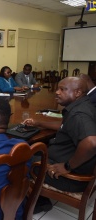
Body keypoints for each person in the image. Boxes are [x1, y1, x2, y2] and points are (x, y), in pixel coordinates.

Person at [23, 77, 96, 213]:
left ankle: (36, 203)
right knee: (36, 149)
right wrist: (39, 123)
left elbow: (91, 143)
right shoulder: (83, 105)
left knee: (21, 160)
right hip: (77, 165)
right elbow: (64, 126)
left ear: (77, 92)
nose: (57, 92)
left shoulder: (79, 114)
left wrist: (67, 166)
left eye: (62, 89)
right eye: (57, 88)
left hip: (72, 178)